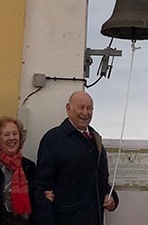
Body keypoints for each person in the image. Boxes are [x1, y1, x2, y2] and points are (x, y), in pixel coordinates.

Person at [34, 91, 118, 225]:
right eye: (81, 107)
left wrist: (111, 196)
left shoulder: (96, 140)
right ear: (68, 108)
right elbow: (41, 188)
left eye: (89, 108)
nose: (85, 112)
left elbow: (100, 179)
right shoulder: (53, 139)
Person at [0, 115, 36, 224]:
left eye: (15, 134)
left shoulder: (29, 166)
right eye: (6, 135)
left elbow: (36, 196)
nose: (12, 138)